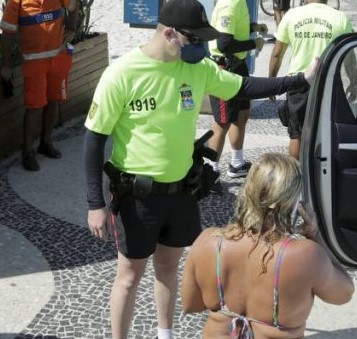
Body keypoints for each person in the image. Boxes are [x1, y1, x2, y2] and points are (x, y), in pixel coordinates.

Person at [83, 0, 318, 338]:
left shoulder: (197, 68)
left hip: (181, 192)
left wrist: (300, 79)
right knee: (129, 276)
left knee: (168, 267)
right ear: (168, 33)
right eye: (194, 40)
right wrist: (95, 203)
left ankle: (165, 334)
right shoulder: (122, 73)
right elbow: (93, 140)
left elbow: (244, 86)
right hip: (137, 197)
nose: (201, 47)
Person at [181, 153, 354, 338]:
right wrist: (315, 236)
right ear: (294, 202)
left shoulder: (208, 241)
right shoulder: (305, 255)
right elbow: (344, 293)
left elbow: (191, 304)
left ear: (248, 190)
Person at [269, 0, 357, 158]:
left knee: (297, 135)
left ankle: (296, 177)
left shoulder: (291, 15)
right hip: (328, 82)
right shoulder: (340, 18)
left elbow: (277, 53)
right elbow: (349, 55)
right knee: (327, 131)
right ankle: (322, 174)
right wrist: (353, 81)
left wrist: (272, 82)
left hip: (297, 82)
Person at [0, 0, 77, 171]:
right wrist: (6, 65)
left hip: (58, 58)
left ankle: (46, 142)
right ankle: (28, 152)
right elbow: (6, 32)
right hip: (34, 64)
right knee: (34, 106)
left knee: (54, 101)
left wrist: (72, 29)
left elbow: (73, 6)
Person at [208, 0, 267, 178]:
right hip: (225, 69)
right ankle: (211, 170)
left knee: (242, 115)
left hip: (238, 66)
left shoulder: (239, 3)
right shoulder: (230, 4)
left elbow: (231, 28)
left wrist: (252, 27)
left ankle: (237, 163)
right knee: (222, 121)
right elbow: (224, 43)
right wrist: (254, 44)